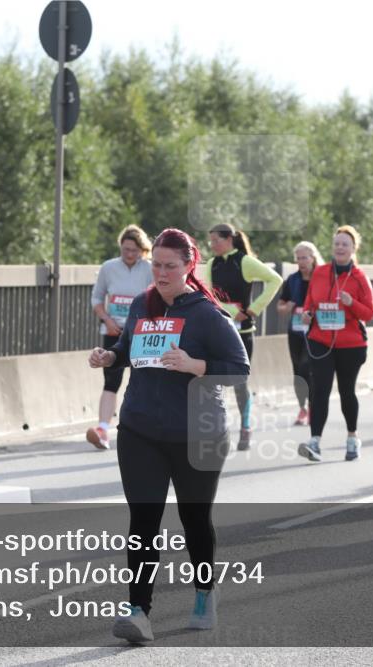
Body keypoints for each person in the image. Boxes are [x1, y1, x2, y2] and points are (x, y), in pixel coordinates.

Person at [88, 228, 249, 643]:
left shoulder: (207, 314)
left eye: (169, 266)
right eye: (156, 264)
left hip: (197, 432)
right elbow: (127, 346)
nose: (160, 272)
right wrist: (111, 356)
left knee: (195, 519)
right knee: (144, 519)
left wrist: (195, 365)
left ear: (189, 266)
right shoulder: (143, 304)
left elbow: (238, 369)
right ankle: (139, 611)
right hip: (140, 429)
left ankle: (204, 590)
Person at [297, 225, 373, 462]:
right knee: (319, 390)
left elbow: (370, 313)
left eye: (345, 244)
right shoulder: (320, 273)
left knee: (346, 391)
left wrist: (351, 302)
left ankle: (352, 438)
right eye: (337, 244)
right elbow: (310, 302)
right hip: (320, 340)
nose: (340, 248)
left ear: (353, 249)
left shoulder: (360, 278)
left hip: (350, 344)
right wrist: (307, 314)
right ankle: (315, 442)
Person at [202, 223, 282, 450]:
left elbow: (275, 280)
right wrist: (229, 309)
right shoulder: (211, 264)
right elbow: (208, 295)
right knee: (211, 380)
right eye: (211, 241)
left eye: (216, 240)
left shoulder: (244, 261)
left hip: (243, 332)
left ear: (229, 239)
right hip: (218, 331)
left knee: (239, 383)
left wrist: (254, 308)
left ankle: (245, 427)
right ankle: (217, 428)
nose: (213, 245)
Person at [87, 225, 153, 450]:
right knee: (111, 381)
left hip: (140, 335)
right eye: (125, 249)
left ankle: (142, 431)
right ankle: (102, 429)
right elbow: (96, 298)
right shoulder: (109, 267)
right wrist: (107, 319)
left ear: (142, 250)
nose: (129, 254)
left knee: (141, 382)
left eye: (134, 250)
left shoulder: (150, 269)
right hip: (113, 332)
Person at [276, 241, 324, 426]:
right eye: (298, 258)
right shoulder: (293, 280)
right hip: (295, 331)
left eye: (305, 257)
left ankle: (313, 408)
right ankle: (302, 408)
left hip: (316, 330)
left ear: (313, 258)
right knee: (297, 371)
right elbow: (280, 306)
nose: (301, 261)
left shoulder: (321, 277)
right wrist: (286, 307)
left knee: (307, 367)